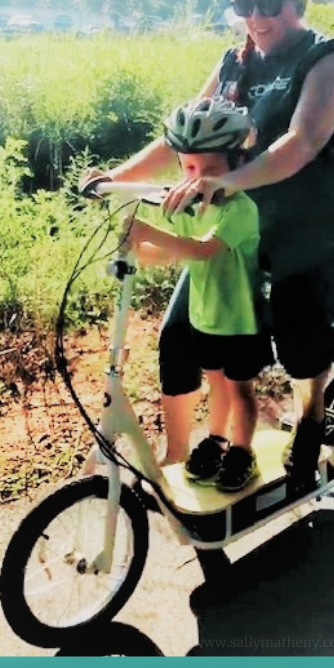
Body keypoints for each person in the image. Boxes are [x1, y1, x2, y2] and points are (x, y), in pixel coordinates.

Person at [86, 0, 334, 489]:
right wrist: (115, 179)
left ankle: (309, 420)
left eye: (270, 4)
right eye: (245, 6)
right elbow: (185, 136)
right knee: (181, 332)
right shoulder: (234, 61)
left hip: (308, 222)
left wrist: (223, 183)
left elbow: (303, 140)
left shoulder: (325, 58)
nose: (257, 18)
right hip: (235, 223)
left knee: (298, 333)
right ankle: (180, 454)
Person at [121, 96, 271, 493]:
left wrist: (149, 232)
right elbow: (180, 255)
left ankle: (242, 449)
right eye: (189, 167)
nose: (198, 177)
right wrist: (137, 251)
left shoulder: (240, 209)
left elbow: (203, 250)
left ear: (237, 166)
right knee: (216, 382)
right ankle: (217, 438)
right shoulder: (197, 207)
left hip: (239, 319)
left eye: (213, 169)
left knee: (239, 388)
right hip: (206, 318)